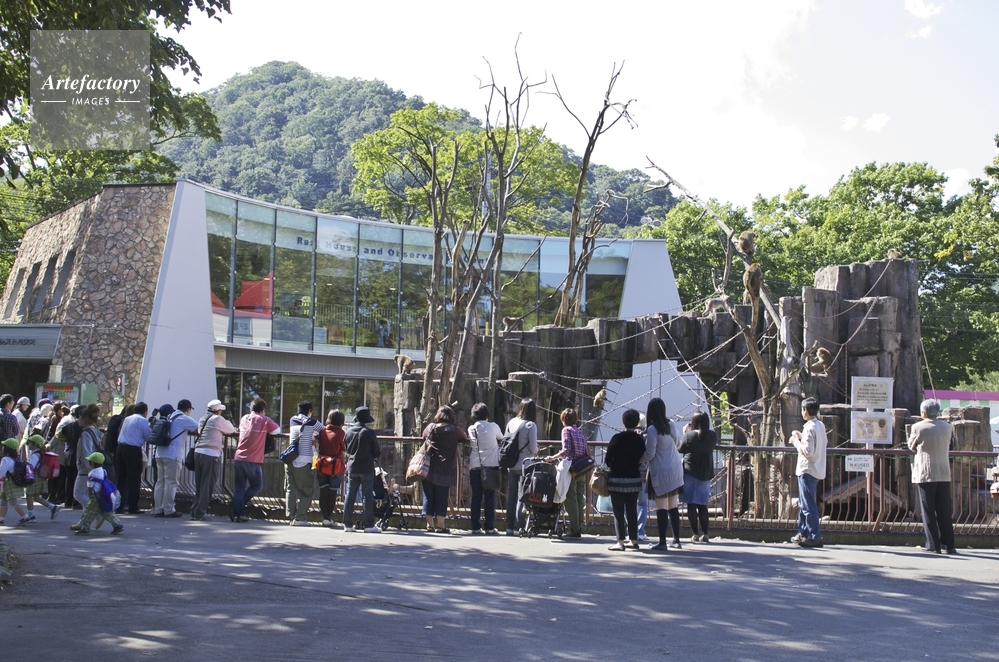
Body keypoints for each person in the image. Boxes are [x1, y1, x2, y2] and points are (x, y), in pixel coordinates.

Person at [908, 398, 956, 554]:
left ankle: (933, 544)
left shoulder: (918, 427)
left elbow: (911, 446)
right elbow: (951, 444)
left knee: (928, 510)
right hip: (944, 472)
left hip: (926, 472)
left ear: (923, 413)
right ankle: (949, 545)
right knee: (944, 510)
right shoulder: (947, 427)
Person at [641, 398, 685, 551]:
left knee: (661, 508)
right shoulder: (671, 424)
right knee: (673, 506)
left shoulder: (652, 429)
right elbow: (678, 443)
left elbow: (650, 454)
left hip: (661, 472)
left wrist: (637, 460)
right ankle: (676, 540)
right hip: (676, 469)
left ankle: (662, 542)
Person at [605, 409, 646, 551]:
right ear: (637, 423)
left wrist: (614, 465)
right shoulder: (639, 440)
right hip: (634, 478)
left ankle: (620, 541)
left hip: (617, 478)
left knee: (618, 510)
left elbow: (608, 459)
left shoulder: (617, 438)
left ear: (623, 422)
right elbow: (642, 457)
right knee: (632, 509)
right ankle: (634, 540)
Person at [232, 398, 279, 523]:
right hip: (253, 460)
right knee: (257, 485)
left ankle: (238, 511)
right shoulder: (264, 420)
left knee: (239, 488)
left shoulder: (244, 418)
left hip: (238, 457)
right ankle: (237, 506)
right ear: (263, 410)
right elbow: (277, 430)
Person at [790, 397, 828, 548]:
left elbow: (808, 451)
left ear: (805, 410)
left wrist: (796, 442)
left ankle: (814, 536)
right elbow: (820, 443)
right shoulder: (820, 425)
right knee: (804, 502)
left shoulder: (809, 428)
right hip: (817, 468)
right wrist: (802, 437)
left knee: (807, 504)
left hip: (807, 469)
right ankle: (803, 532)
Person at [421, 405, 465, 534]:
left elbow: (423, 435)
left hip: (429, 466)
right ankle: (440, 526)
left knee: (428, 496)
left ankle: (429, 525)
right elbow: (464, 436)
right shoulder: (454, 430)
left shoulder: (430, 427)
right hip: (446, 467)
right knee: (442, 496)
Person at [546, 408, 589, 539]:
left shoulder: (566, 430)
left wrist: (552, 457)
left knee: (570, 499)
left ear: (564, 419)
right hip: (582, 467)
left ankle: (574, 529)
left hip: (571, 469)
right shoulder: (580, 431)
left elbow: (566, 450)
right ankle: (579, 526)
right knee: (579, 498)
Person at [151, 400, 199, 518]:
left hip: (160, 452)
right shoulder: (184, 418)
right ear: (188, 409)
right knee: (171, 482)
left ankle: (158, 509)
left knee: (160, 482)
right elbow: (199, 429)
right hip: (173, 454)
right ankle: (169, 509)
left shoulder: (168, 417)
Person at [191, 399, 236, 521]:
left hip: (198, 452)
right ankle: (200, 512)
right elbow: (231, 429)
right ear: (218, 410)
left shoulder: (202, 419)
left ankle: (194, 510)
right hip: (210, 454)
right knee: (207, 484)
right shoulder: (217, 419)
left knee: (199, 484)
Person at [677, 411, 718, 543]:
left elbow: (680, 449)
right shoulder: (713, 435)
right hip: (705, 473)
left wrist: (685, 432)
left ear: (693, 422)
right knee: (702, 505)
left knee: (691, 504)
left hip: (690, 472)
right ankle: (705, 534)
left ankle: (694, 533)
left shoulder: (689, 435)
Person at [342, 406, 382, 533]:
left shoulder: (348, 432)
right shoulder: (369, 433)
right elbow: (376, 451)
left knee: (350, 496)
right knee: (367, 496)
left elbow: (345, 447)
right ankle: (368, 525)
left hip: (352, 467)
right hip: (366, 468)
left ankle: (347, 524)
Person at [504, 398, 539, 536]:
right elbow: (533, 449)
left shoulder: (511, 422)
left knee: (512, 495)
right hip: (525, 465)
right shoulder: (530, 425)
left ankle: (509, 526)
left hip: (511, 464)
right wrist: (537, 449)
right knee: (522, 496)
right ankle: (519, 526)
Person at [467, 402, 502, 535]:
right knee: (489, 497)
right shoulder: (493, 426)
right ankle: (489, 527)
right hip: (490, 466)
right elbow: (502, 437)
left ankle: (475, 526)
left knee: (476, 497)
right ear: (487, 414)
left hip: (475, 466)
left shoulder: (471, 429)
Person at [72, 452, 123, 536]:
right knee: (105, 512)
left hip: (95, 496)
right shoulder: (103, 471)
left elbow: (90, 487)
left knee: (88, 512)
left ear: (92, 463)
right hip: (103, 494)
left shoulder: (92, 473)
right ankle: (117, 525)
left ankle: (85, 528)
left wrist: (89, 495)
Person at [286, 401, 320, 526]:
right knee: (307, 491)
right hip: (304, 461)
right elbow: (323, 431)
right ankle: (300, 518)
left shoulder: (292, 420)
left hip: (290, 459)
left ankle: (291, 516)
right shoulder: (313, 422)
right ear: (309, 411)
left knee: (291, 489)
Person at [115, 402, 150, 514]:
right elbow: (148, 436)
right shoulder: (143, 420)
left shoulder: (127, 418)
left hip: (120, 448)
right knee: (134, 479)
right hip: (133, 450)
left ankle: (118, 506)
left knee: (121, 479)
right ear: (145, 411)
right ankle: (133, 507)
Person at [71, 404, 102, 517]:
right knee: (86, 494)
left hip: (86, 469)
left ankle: (98, 513)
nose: (78, 420)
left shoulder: (86, 433)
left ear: (85, 419)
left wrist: (89, 467)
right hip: (93, 467)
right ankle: (84, 522)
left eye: (80, 417)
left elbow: (86, 452)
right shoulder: (95, 431)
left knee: (78, 494)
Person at [316, 409, 346, 527]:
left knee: (323, 492)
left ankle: (326, 518)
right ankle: (328, 518)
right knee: (332, 493)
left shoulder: (322, 431)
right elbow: (344, 448)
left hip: (322, 465)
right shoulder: (341, 433)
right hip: (335, 467)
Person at [23, 434, 61, 521]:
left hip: (34, 477)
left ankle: (31, 516)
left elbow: (31, 467)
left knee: (29, 495)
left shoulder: (34, 455)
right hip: (40, 477)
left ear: (35, 444)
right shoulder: (41, 453)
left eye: (30, 443)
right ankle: (53, 507)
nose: (28, 445)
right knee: (36, 497)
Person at [0, 437, 31, 526]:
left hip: (8, 483)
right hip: (12, 482)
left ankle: (25, 517)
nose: (2, 447)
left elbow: (1, 472)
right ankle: (1, 519)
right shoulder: (16, 458)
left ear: (7, 448)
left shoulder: (6, 459)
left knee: (12, 501)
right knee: (3, 500)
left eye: (4, 446)